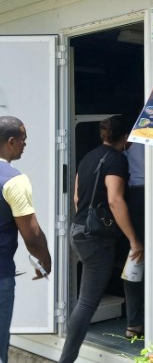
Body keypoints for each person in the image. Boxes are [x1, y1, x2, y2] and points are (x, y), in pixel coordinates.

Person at [58, 116, 143, 363]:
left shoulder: (88, 157)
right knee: (87, 303)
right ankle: (66, 359)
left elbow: (77, 197)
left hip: (78, 229)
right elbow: (115, 200)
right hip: (96, 238)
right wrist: (133, 239)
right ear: (125, 138)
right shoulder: (117, 159)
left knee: (87, 299)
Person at [0, 116, 52, 363]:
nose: (25, 144)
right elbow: (31, 234)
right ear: (11, 141)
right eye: (23, 139)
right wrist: (45, 259)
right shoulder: (14, 180)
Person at [122, 141, 144, 338]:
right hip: (144, 192)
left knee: (135, 258)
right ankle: (137, 321)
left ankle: (134, 323)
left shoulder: (131, 137)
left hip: (135, 194)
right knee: (137, 257)